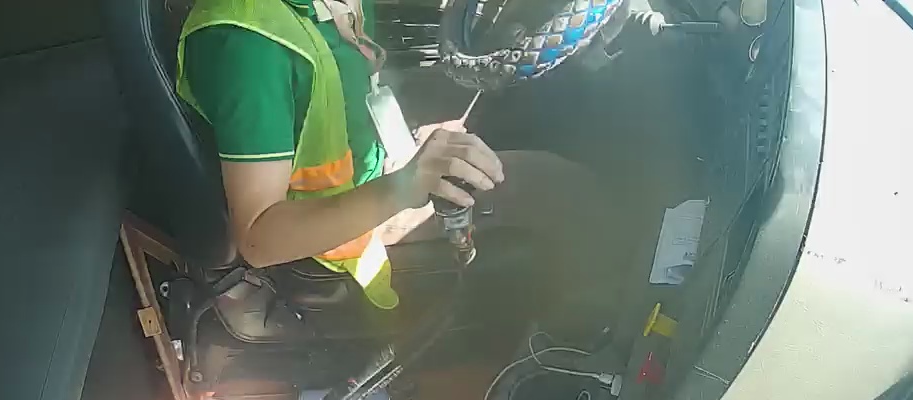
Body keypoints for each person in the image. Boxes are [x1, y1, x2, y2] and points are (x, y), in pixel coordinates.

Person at [177, 0, 632, 336]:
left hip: (373, 157)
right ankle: (592, 352)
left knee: (520, 117)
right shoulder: (249, 45)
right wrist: (405, 184)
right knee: (565, 194)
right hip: (333, 229)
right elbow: (259, 238)